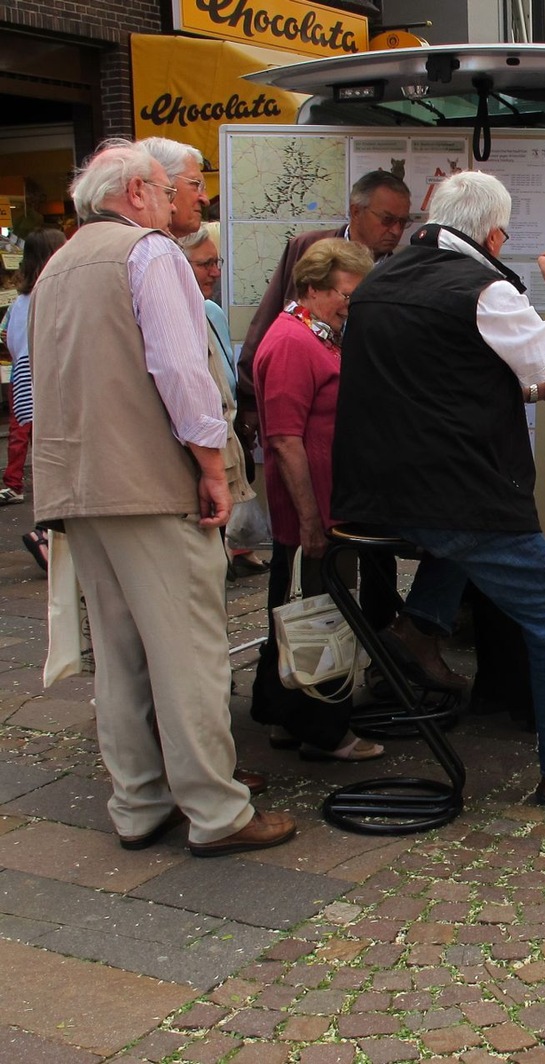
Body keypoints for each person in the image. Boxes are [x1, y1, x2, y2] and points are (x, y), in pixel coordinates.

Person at [332, 170, 545, 806]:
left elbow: (437, 378)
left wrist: (520, 386)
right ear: (495, 234)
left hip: (373, 492)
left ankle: (419, 629)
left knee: (463, 549)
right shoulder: (484, 290)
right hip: (452, 494)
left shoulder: (379, 280)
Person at [28, 139, 294, 856]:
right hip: (147, 479)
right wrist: (211, 465)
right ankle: (216, 810)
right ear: (140, 191)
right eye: (174, 187)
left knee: (119, 655)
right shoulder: (148, 254)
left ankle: (139, 802)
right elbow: (180, 371)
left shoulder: (60, 263)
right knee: (189, 652)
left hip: (81, 483)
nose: (187, 199)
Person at [250, 237, 386, 761]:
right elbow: (284, 439)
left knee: (301, 610)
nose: (350, 306)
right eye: (345, 295)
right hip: (314, 511)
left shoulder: (317, 335)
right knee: (322, 615)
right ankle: (326, 729)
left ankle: (287, 717)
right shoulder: (291, 343)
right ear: (311, 288)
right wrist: (310, 519)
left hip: (330, 506)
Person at [235, 169, 412, 455]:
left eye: (403, 222)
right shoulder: (308, 249)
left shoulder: (402, 272)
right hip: (304, 410)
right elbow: (267, 321)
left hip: (369, 415)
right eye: (387, 219)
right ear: (356, 211)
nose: (395, 230)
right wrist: (249, 401)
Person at [177, 225, 271, 578]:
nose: (216, 272)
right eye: (205, 264)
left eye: (216, 262)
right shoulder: (166, 316)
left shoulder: (210, 311)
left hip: (222, 449)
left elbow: (227, 380)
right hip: (190, 459)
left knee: (212, 559)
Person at [1, 228, 66, 568]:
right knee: (57, 462)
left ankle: (47, 530)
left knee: (46, 460)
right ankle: (46, 532)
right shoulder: (50, 295)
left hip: (25, 387)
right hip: (47, 388)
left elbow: (12, 344)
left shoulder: (20, 302)